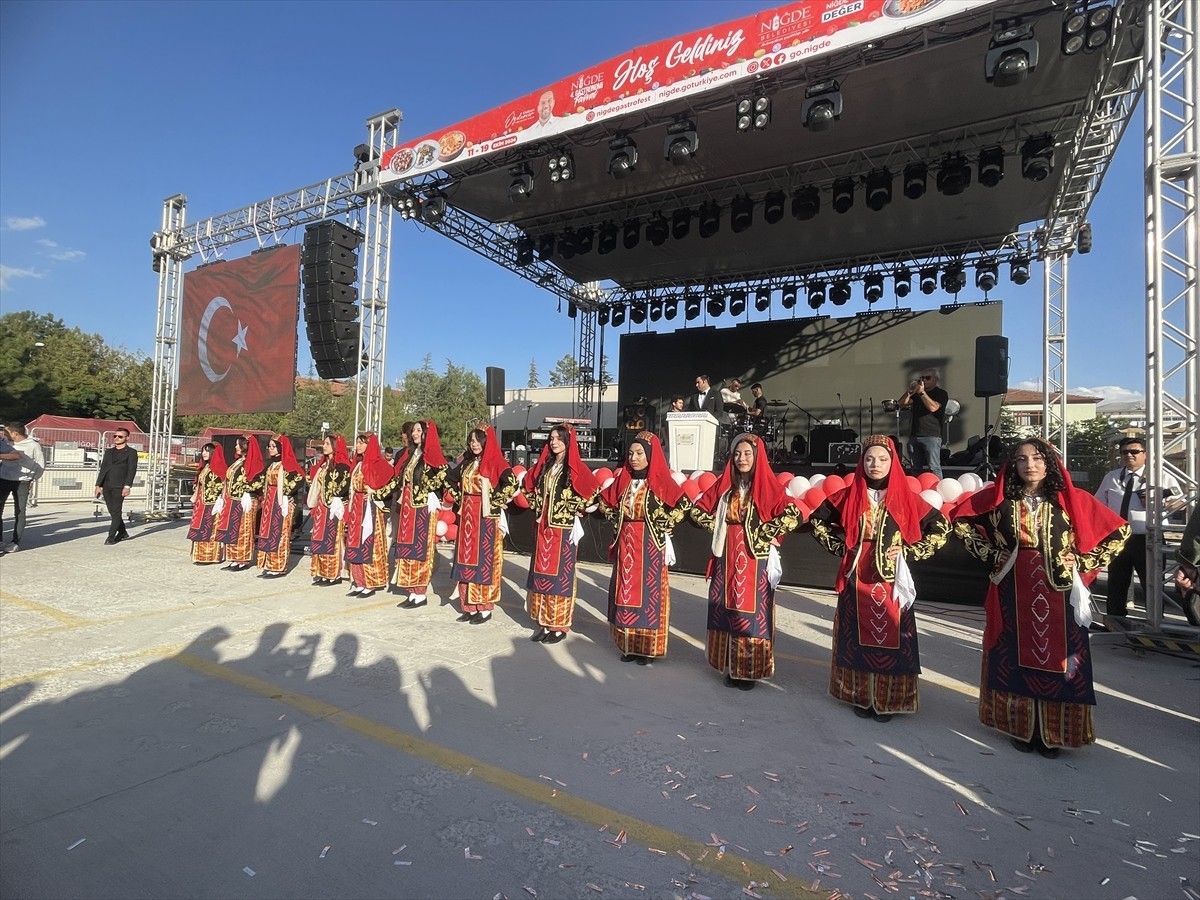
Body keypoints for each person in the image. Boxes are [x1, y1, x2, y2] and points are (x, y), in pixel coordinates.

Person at [952, 438, 1129, 757]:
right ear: (1013, 465)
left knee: (1060, 659)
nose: (1029, 464)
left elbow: (1119, 532)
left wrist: (1084, 561)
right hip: (1012, 588)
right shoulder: (1000, 499)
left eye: (1036, 458)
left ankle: (1055, 732)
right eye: (1021, 459)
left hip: (1059, 591)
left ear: (1049, 463)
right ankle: (1020, 727)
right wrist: (991, 554)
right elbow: (961, 521)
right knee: (1013, 655)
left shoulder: (1072, 500)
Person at [807, 435, 950, 721]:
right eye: (870, 459)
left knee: (893, 636)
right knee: (855, 638)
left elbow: (942, 527)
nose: (875, 464)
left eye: (883, 459)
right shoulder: (848, 495)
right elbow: (815, 520)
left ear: (893, 462)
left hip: (891, 579)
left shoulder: (906, 498)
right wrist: (841, 548)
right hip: (857, 574)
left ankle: (889, 698)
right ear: (862, 462)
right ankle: (859, 695)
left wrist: (911, 551)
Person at [689, 433, 804, 690]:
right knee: (726, 608)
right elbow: (696, 511)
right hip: (726, 555)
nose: (742, 459)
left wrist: (766, 533)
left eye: (747, 454)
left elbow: (794, 515)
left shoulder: (768, 487)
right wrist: (717, 526)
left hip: (755, 559)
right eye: (738, 454)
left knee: (752, 612)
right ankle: (730, 666)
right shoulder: (725, 486)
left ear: (757, 457)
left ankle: (750, 669)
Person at [598, 431, 690, 664]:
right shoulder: (624, 480)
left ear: (650, 455)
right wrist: (616, 516)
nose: (634, 458)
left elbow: (684, 504)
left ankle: (648, 648)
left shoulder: (660, 481)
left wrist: (666, 524)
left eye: (639, 453)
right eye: (630, 453)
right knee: (625, 593)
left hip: (649, 545)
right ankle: (628, 644)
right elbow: (603, 501)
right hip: (626, 543)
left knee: (649, 595)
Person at [1093, 435, 1185, 621]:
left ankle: (1155, 620)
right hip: (1118, 538)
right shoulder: (1112, 478)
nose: (1129, 456)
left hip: (1148, 537)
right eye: (1125, 452)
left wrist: (1163, 503)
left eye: (1134, 452)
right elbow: (1098, 505)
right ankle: (1115, 619)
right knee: (1117, 582)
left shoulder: (1162, 476)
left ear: (1145, 454)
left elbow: (1182, 503)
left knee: (1151, 582)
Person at [523, 425, 599, 643]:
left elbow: (594, 495)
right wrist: (537, 506)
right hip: (543, 527)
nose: (554, 442)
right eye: (551, 438)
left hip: (563, 529)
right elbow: (527, 486)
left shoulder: (574, 468)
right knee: (542, 574)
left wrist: (573, 506)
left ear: (568, 441)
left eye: (558, 438)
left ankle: (559, 625)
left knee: (560, 578)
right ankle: (544, 622)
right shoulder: (547, 465)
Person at [446, 425, 519, 623]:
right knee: (466, 559)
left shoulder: (496, 461)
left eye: (478, 440)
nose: (474, 444)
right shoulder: (467, 462)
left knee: (484, 560)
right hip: (468, 515)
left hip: (486, 516)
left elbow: (512, 483)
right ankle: (468, 606)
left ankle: (484, 607)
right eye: (471, 440)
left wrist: (494, 500)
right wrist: (459, 498)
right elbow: (449, 479)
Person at [392, 420, 450, 608]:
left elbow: (443, 472)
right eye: (413, 430)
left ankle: (420, 592)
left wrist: (426, 487)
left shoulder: (430, 455)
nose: (414, 433)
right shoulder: (412, 454)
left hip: (422, 507)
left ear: (426, 433)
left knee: (420, 548)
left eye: (418, 430)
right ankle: (411, 590)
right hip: (409, 506)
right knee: (407, 547)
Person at [344, 433, 398, 598]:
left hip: (371, 510)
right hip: (357, 507)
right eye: (357, 443)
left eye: (362, 443)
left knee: (369, 543)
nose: (358, 446)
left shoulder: (379, 464)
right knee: (355, 543)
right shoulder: (359, 464)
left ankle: (371, 582)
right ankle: (359, 581)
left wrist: (375, 493)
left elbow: (393, 480)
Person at [256, 435, 306, 578]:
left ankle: (279, 566)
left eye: (273, 446)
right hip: (270, 501)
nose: (270, 449)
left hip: (282, 502)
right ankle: (269, 563)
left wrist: (286, 492)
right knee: (269, 532)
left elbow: (300, 478)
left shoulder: (287, 464)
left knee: (280, 533)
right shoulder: (271, 464)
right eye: (269, 446)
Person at [216, 435, 266, 571]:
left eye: (238, 444)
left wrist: (247, 490)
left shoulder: (254, 462)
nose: (236, 447)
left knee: (244, 530)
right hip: (234, 500)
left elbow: (259, 481)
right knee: (233, 529)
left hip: (247, 500)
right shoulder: (238, 462)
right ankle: (234, 558)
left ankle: (243, 559)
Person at [307, 434, 351, 586]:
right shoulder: (324, 465)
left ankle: (334, 573)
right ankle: (322, 571)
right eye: (324, 444)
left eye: (327, 444)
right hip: (322, 508)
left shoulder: (343, 466)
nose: (324, 446)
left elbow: (346, 484)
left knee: (333, 540)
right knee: (321, 539)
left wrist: (338, 497)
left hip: (334, 508)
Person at [0, 424, 44, 552]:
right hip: (4, 478)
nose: (4, 435)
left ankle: (15, 542)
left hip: (22, 482)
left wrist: (33, 479)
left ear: (15, 433)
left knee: (19, 511)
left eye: (7, 432)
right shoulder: (6, 443)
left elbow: (41, 464)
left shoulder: (33, 445)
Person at [899, 368, 947, 477]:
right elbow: (901, 404)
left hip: (932, 435)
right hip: (915, 435)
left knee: (934, 467)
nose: (924, 380)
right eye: (922, 378)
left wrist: (922, 393)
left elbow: (933, 407)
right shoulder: (917, 394)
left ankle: (937, 488)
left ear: (936, 379)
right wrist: (909, 392)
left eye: (928, 378)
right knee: (915, 467)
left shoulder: (941, 393)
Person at [94, 427, 137, 545]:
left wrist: (127, 486)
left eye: (120, 436)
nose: (116, 438)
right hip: (107, 485)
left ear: (127, 438)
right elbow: (103, 469)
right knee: (113, 512)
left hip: (120, 485)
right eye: (115, 436)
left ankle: (111, 536)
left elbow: (131, 470)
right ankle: (123, 532)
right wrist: (98, 485)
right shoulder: (109, 452)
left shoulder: (131, 453)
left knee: (117, 511)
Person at [187, 443, 227, 565]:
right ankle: (199, 555)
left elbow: (223, 484)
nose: (204, 453)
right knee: (200, 528)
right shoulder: (206, 467)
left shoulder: (219, 467)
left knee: (209, 529)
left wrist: (219, 499)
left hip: (211, 503)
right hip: (201, 502)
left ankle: (210, 556)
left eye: (207, 451)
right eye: (203, 451)